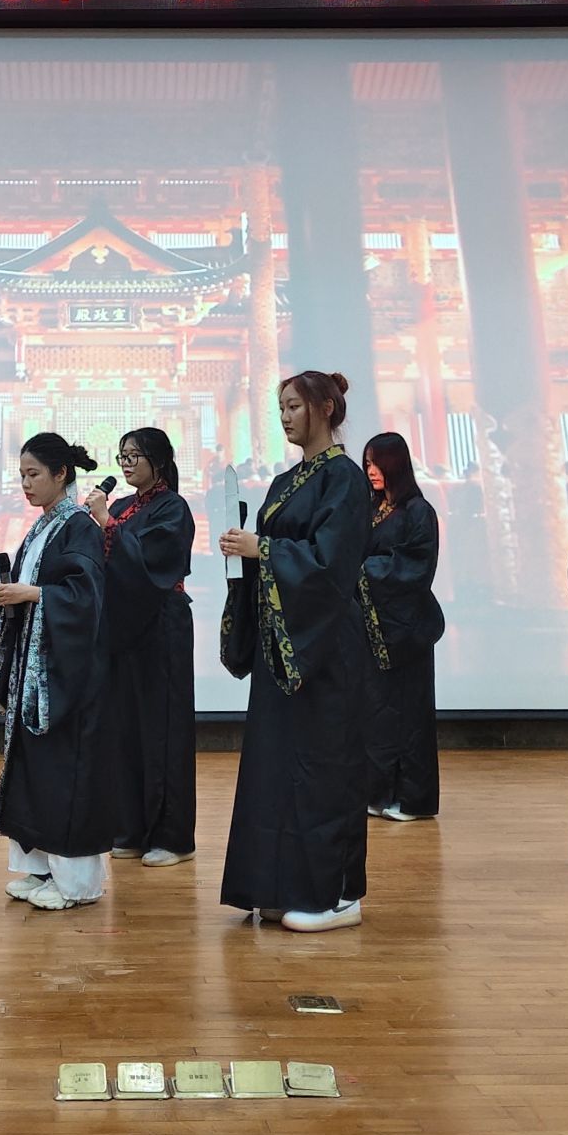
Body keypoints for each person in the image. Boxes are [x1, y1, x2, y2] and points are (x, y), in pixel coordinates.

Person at [217, 371, 372, 933]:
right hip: (282, 647)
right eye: (280, 407)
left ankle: (333, 894)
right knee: (277, 767)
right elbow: (275, 552)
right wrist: (246, 553)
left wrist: (263, 548)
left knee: (322, 766)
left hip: (323, 646)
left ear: (326, 407)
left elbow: (332, 564)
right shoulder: (288, 479)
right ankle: (278, 884)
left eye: (294, 406)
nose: (284, 417)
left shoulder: (345, 478)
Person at [0, 433, 116, 912]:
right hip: (37, 668)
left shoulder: (78, 526)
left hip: (68, 676)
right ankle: (40, 867)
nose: (26, 484)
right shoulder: (43, 526)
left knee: (66, 769)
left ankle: (76, 882)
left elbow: (86, 598)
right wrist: (14, 598)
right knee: (35, 768)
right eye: (21, 475)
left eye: (34, 474)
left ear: (61, 474)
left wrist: (34, 594)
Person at [84, 427, 196, 868]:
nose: (126, 463)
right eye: (122, 456)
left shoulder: (173, 508)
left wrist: (107, 525)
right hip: (124, 627)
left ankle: (172, 837)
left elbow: (153, 563)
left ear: (159, 461)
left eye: (134, 456)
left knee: (163, 728)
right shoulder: (122, 506)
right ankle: (129, 828)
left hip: (162, 625)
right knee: (125, 729)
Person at [359, 431, 446, 822]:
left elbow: (415, 565)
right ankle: (378, 793)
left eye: (378, 463)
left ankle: (414, 799)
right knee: (376, 712)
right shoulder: (371, 508)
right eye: (367, 463)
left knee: (410, 715)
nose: (371, 471)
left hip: (407, 630)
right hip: (372, 627)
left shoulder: (418, 511)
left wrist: (363, 569)